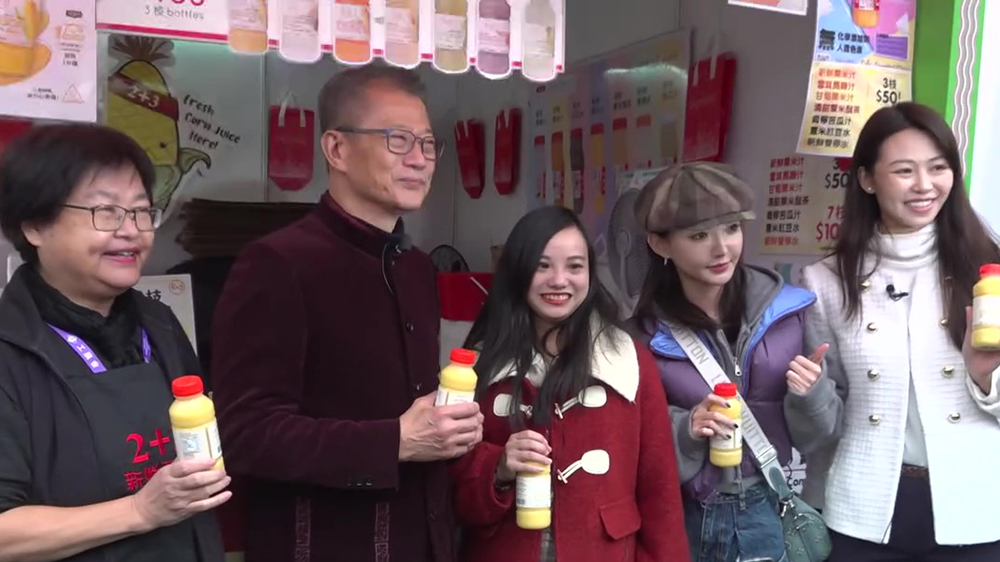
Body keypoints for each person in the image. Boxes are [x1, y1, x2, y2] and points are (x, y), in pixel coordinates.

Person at [211, 65, 484, 562]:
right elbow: (244, 434)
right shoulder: (278, 264)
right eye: (398, 140)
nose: (419, 160)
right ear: (336, 149)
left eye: (428, 144)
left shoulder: (417, 268)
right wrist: (394, 441)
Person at [0, 124, 229, 562]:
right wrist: (140, 511)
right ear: (34, 226)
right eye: (105, 212)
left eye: (141, 212)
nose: (132, 230)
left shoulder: (159, 323)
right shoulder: (10, 348)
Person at [794, 102, 1000, 561]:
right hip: (863, 508)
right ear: (867, 179)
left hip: (976, 506)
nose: (924, 185)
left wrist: (987, 379)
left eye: (938, 168)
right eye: (904, 170)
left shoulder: (989, 270)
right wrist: (808, 395)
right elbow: (821, 425)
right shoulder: (825, 282)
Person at [451, 206, 690, 562]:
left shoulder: (630, 361)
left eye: (575, 266)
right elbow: (451, 488)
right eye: (542, 266)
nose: (559, 280)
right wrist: (498, 467)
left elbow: (660, 491)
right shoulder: (479, 364)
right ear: (518, 271)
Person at [629, 162, 824, 562]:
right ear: (661, 245)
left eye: (732, 228)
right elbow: (627, 443)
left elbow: (820, 436)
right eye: (699, 235)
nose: (721, 249)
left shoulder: (790, 314)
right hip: (683, 516)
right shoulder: (637, 339)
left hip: (767, 511)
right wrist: (685, 427)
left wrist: (812, 396)